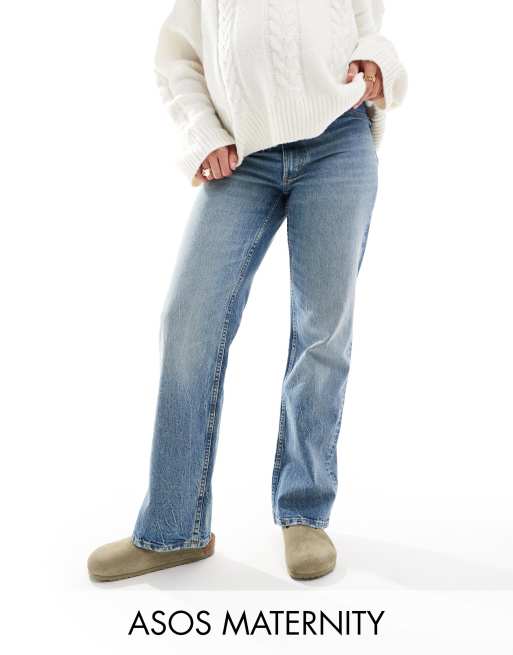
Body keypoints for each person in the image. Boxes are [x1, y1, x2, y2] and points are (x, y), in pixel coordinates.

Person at [88, 0, 407, 582]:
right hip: (244, 157)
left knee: (322, 329)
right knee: (189, 319)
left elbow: (369, 27)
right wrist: (203, 132)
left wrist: (376, 64)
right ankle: (174, 528)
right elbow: (176, 57)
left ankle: (304, 513)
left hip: (337, 145)